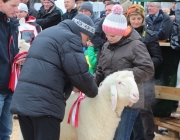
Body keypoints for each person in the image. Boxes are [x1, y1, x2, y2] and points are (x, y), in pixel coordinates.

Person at [10, 14, 98, 140]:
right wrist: (94, 92)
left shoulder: (48, 32)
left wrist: (70, 84)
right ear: (82, 31)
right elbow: (80, 74)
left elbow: (52, 68)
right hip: (45, 106)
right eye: (87, 37)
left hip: (24, 101)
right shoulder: (71, 38)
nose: (85, 42)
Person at [95, 5, 154, 140]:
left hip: (128, 100)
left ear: (122, 32)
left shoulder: (136, 45)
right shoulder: (106, 46)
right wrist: (91, 86)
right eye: (106, 34)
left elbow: (147, 69)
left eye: (112, 35)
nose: (108, 38)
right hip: (111, 99)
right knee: (135, 131)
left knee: (120, 136)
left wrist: (122, 76)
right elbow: (100, 69)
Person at [125, 4, 163, 140]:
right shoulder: (123, 34)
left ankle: (148, 136)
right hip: (127, 77)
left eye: (139, 18)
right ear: (128, 19)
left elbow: (158, 57)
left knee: (145, 109)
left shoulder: (150, 35)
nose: (136, 21)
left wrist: (144, 67)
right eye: (133, 18)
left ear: (143, 19)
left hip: (144, 77)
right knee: (128, 108)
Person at [0, 0, 20, 139]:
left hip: (9, 86)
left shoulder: (11, 22)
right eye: (13, 5)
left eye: (18, 5)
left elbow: (12, 51)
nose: (17, 9)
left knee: (6, 132)